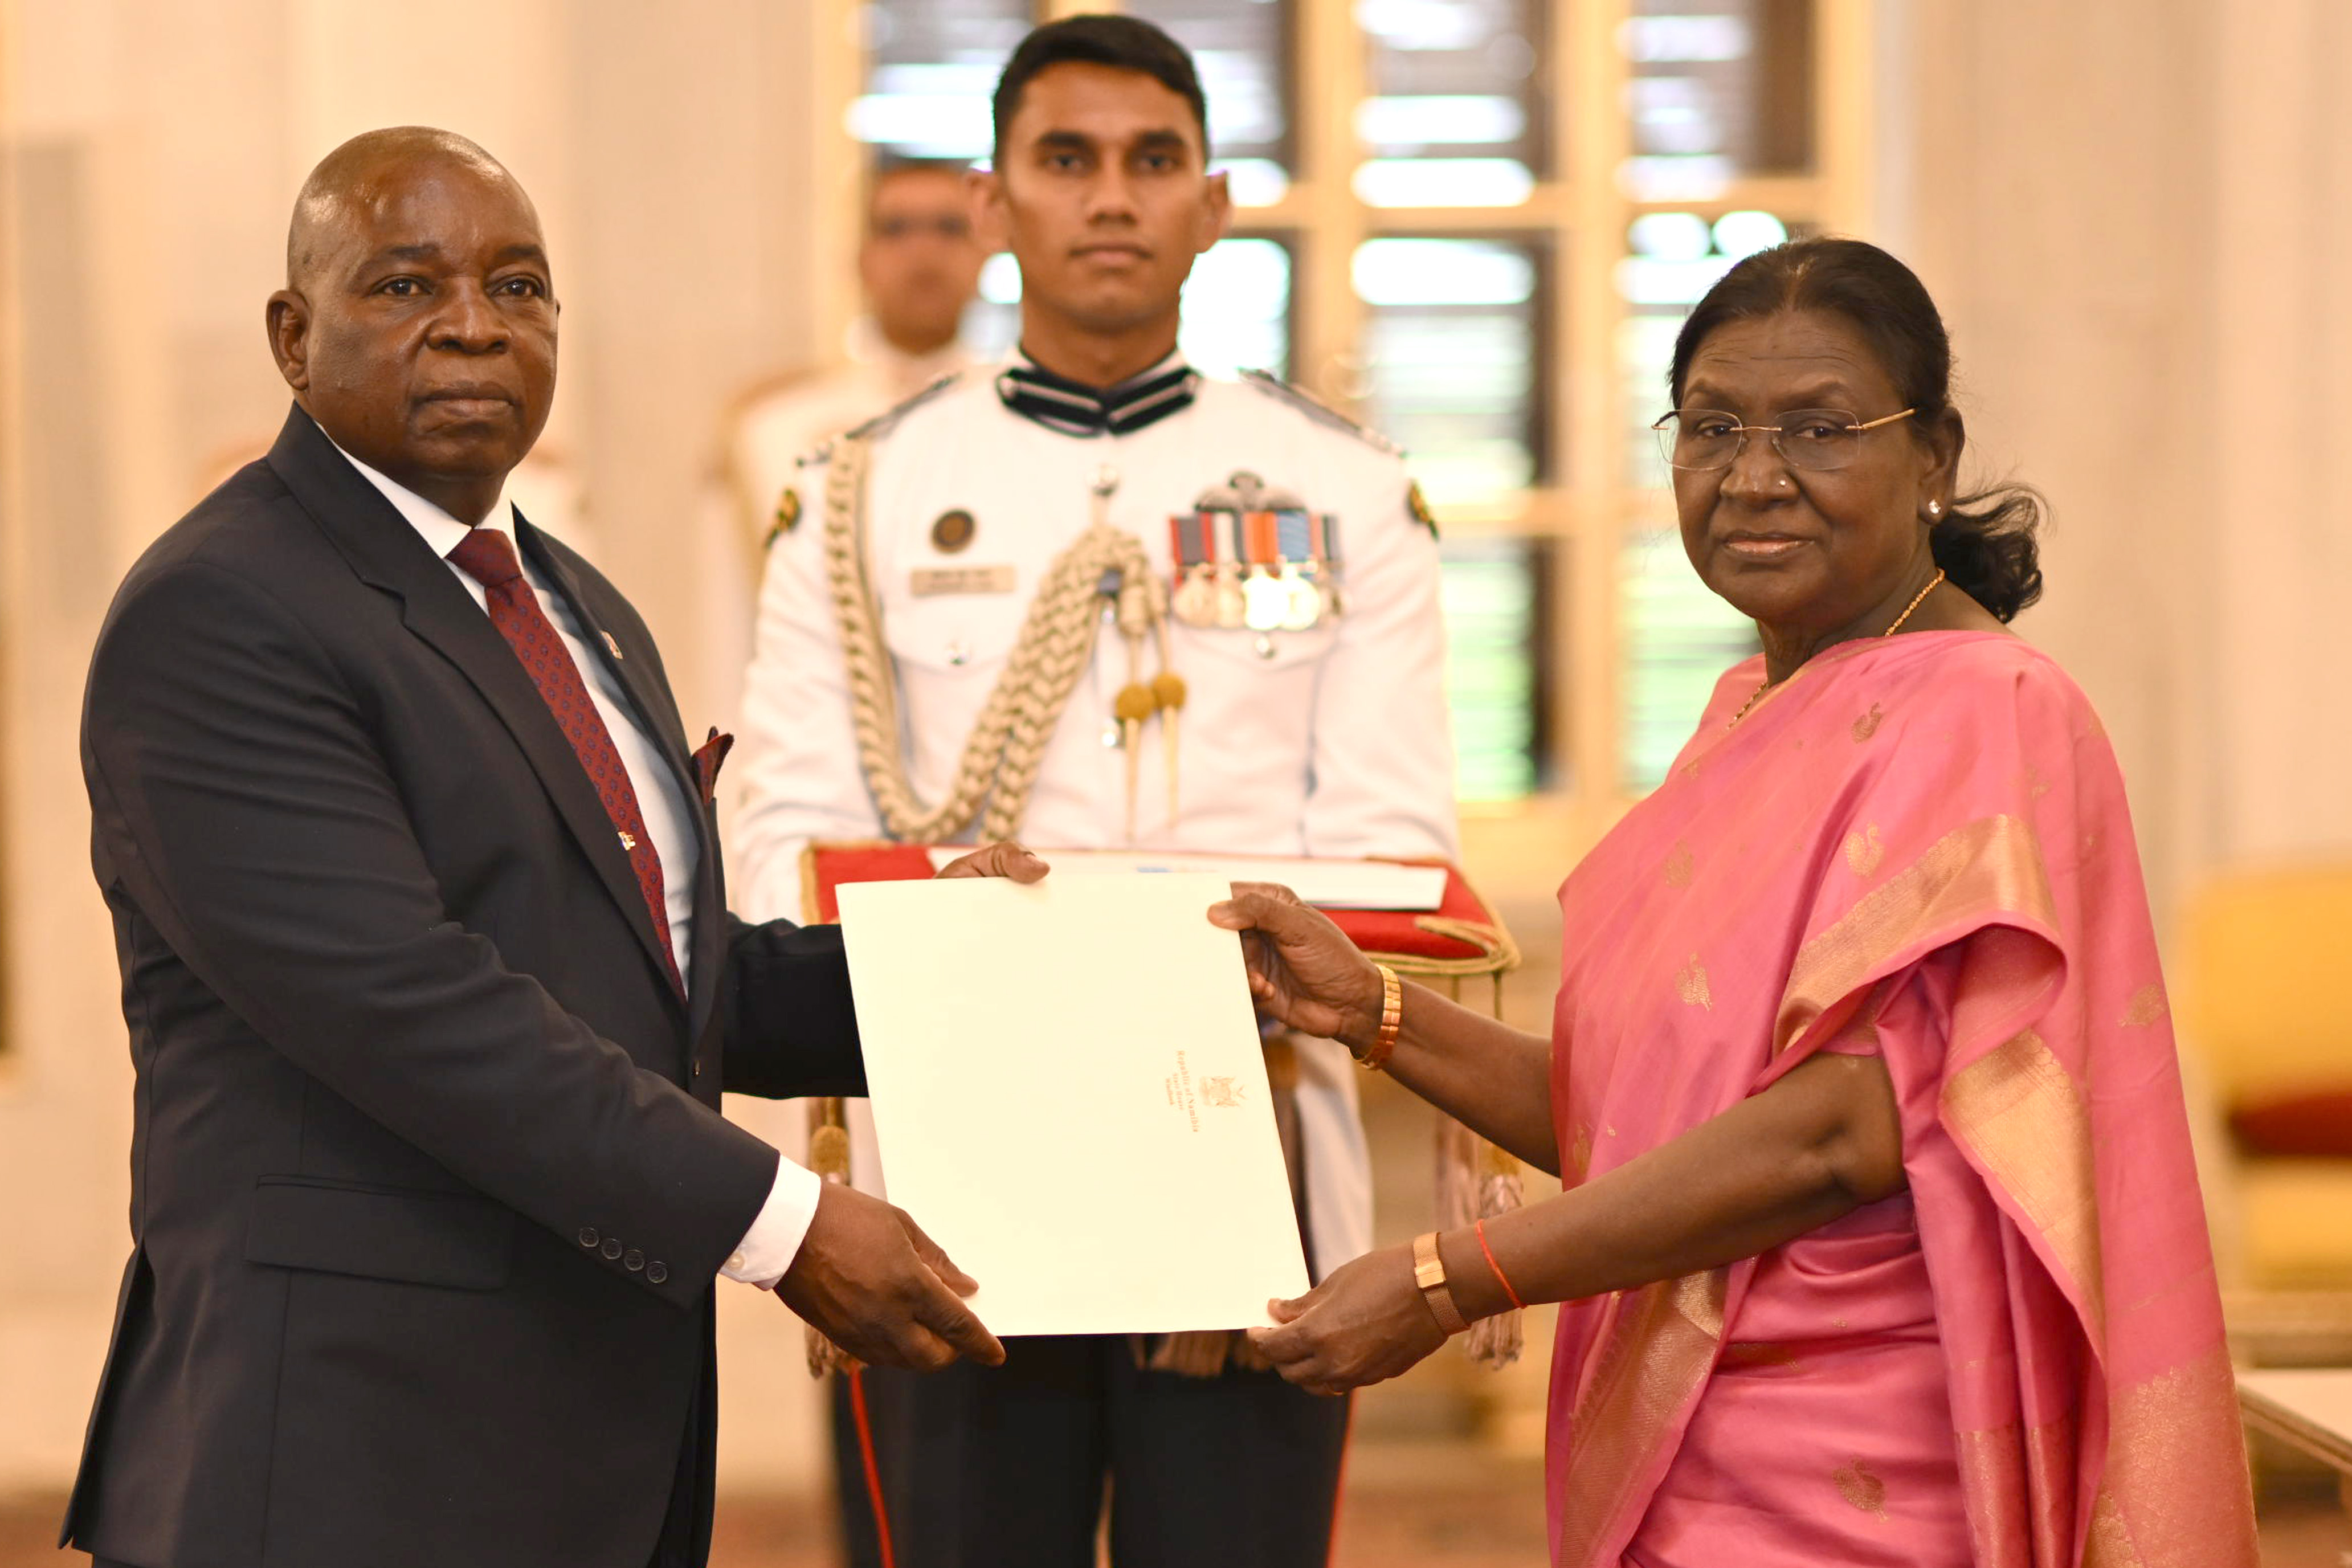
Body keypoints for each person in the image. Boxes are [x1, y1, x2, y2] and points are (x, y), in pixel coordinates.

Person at [65, 126, 1036, 1568]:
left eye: (517, 286)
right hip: (346, 1452)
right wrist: (783, 1221)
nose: (472, 324)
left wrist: (950, 971)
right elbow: (415, 1010)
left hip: (597, 1441)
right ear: (292, 334)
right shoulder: (221, 613)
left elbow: (655, 977)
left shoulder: (573, 601)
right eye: (404, 287)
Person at [1213, 238, 2259, 1567]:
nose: (1753, 477)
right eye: (1711, 427)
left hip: (1872, 1477)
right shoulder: (1746, 716)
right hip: (1684, 1446)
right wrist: (1371, 1013)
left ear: (1932, 455)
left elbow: (1836, 1138)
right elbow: (1641, 1124)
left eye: (1818, 429)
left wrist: (1447, 1277)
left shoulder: (1981, 709)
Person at [731, 16, 1455, 1567]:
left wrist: (1152, 963)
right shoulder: (859, 492)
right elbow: (778, 842)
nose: (1110, 198)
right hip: (958, 1176)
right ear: (996, 202)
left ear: (1216, 202)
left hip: (1251, 1169)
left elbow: (1394, 844)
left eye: (1152, 162)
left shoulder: (1341, 491)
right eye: (1066, 161)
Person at [722, 160, 987, 560]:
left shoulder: (1024, 411)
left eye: (949, 228)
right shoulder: (775, 424)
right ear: (860, 258)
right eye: (895, 229)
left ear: (983, 254)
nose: (924, 250)